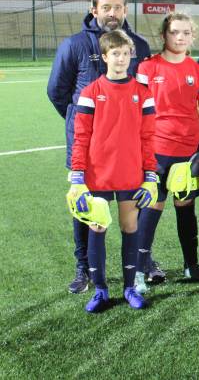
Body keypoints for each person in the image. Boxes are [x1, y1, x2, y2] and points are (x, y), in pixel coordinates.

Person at [48, 0, 151, 294]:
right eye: (106, 7)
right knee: (87, 208)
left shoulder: (140, 46)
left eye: (117, 8)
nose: (112, 13)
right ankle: (84, 269)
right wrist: (82, 124)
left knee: (135, 205)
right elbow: (57, 92)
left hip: (129, 150)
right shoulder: (75, 44)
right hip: (87, 148)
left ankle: (141, 262)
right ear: (94, 10)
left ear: (125, 10)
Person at [68, 30, 157, 313]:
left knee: (130, 227)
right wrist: (78, 177)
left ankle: (130, 287)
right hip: (98, 174)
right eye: (115, 54)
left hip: (131, 173)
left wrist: (151, 176)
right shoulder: (90, 92)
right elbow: (81, 137)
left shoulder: (143, 94)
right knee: (97, 227)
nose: (121, 59)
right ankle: (101, 291)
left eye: (125, 53)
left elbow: (148, 138)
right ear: (105, 57)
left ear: (131, 55)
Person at [134, 12, 199, 294]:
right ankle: (140, 268)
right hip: (156, 152)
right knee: (151, 210)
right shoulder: (148, 67)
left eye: (185, 32)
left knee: (186, 209)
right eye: (174, 32)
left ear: (193, 36)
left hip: (187, 153)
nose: (179, 37)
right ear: (164, 35)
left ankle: (191, 265)